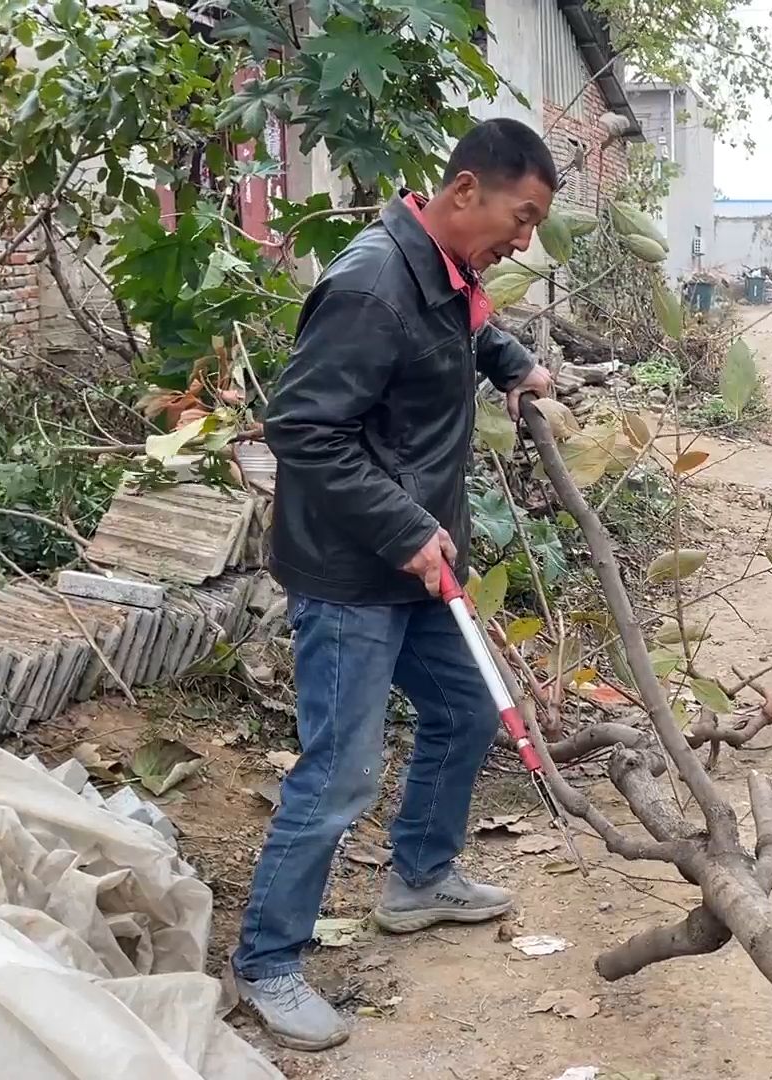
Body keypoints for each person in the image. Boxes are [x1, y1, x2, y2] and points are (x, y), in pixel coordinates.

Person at [232, 117, 557, 1051]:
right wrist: (407, 527)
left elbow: (469, 327)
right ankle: (266, 961)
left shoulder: (443, 273)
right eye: (520, 216)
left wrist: (518, 366)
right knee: (340, 773)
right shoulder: (373, 284)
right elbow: (303, 429)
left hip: (416, 565)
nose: (522, 240)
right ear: (464, 193)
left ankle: (419, 878)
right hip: (353, 574)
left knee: (465, 714)